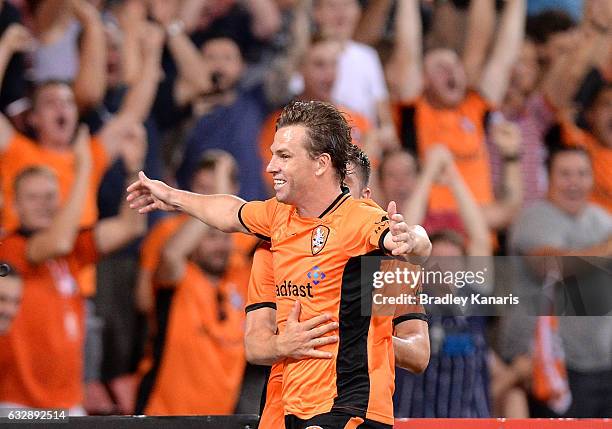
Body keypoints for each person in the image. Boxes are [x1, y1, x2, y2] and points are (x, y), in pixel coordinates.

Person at [127, 100, 431, 428]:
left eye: (284, 156)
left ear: (322, 165)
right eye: (274, 154)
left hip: (347, 406)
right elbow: (230, 212)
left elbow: (414, 251)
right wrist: (171, 196)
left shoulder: (366, 229)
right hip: (285, 407)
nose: (270, 166)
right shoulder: (275, 228)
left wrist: (411, 243)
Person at [248, 146, 430, 428]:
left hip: (355, 405)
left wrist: (359, 334)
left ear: (366, 198)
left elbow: (418, 353)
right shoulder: (274, 249)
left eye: (343, 188)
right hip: (280, 409)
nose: (332, 198)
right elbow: (254, 345)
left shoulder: (392, 263)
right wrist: (283, 342)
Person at [0, 125, 146, 413]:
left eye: (51, 196)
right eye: (34, 197)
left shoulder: (68, 255)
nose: (44, 205)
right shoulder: (10, 248)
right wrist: (84, 170)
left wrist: (134, 172)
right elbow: (60, 240)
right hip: (18, 404)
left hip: (68, 403)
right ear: (14, 206)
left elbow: (130, 227)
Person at [387, 0, 525, 230]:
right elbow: (407, 50)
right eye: (440, 68)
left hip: (479, 233)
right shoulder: (414, 110)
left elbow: (505, 57)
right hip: (428, 232)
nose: (451, 71)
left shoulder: (476, 108)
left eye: (455, 65)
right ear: (424, 80)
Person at [499, 145, 612, 417]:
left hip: (602, 361)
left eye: (582, 174)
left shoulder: (602, 219)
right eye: (565, 174)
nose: (574, 182)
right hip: (551, 363)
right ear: (548, 178)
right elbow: (553, 266)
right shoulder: (534, 218)